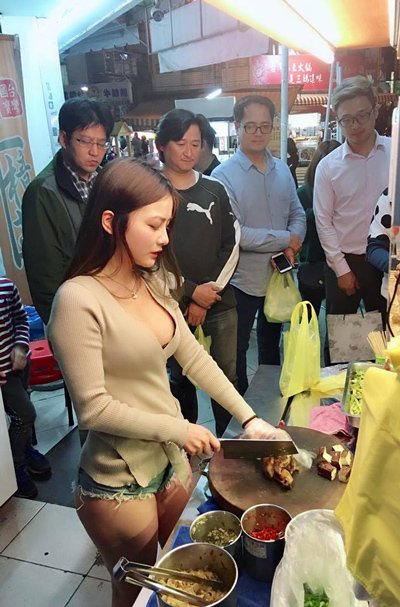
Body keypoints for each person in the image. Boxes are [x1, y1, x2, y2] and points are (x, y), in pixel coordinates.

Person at [48, 159, 287, 607]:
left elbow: (193, 357)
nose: (164, 238)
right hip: (118, 480)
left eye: (167, 226)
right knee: (137, 592)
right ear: (110, 222)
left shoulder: (153, 279)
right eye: (154, 225)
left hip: (169, 460)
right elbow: (94, 408)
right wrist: (180, 429)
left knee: (184, 570)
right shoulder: (77, 299)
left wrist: (250, 419)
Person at [212, 95, 306, 394]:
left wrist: (294, 242)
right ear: (236, 126)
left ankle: (271, 404)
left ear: (273, 127)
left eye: (265, 126)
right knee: (236, 351)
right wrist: (285, 238)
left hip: (280, 276)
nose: (258, 133)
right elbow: (237, 234)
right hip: (242, 282)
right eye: (250, 126)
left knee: (272, 346)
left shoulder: (282, 169)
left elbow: (297, 213)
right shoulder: (222, 176)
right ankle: (240, 412)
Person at [155, 109, 240, 436]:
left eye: (196, 143)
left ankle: (229, 447)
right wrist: (190, 292)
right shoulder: (151, 192)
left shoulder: (214, 189)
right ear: (162, 146)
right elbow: (151, 257)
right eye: (181, 143)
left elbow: (232, 242)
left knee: (226, 378)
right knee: (179, 380)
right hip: (170, 305)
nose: (189, 151)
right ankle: (186, 444)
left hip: (220, 302)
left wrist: (207, 294)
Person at [22, 97, 114, 325]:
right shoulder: (43, 192)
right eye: (85, 141)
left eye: (101, 143)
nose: (95, 152)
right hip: (75, 317)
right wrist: (65, 327)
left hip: (112, 309)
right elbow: (44, 279)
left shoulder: (106, 181)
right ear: (64, 139)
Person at [314, 76, 389, 325]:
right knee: (341, 338)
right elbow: (323, 222)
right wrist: (341, 268)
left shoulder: (395, 153)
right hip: (346, 261)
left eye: (362, 116)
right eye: (346, 120)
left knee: (388, 333)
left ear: (375, 111)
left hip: (386, 260)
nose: (355, 125)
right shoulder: (328, 166)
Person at [0, 277, 51, 499]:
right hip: (4, 376)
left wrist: (20, 347)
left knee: (22, 414)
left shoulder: (5, 286)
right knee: (25, 415)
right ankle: (16, 464)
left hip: (20, 364)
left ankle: (24, 448)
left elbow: (21, 320)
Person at [297, 140, 341, 316]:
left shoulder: (348, 193)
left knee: (338, 318)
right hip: (313, 263)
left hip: (343, 264)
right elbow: (299, 231)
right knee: (308, 318)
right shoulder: (304, 193)